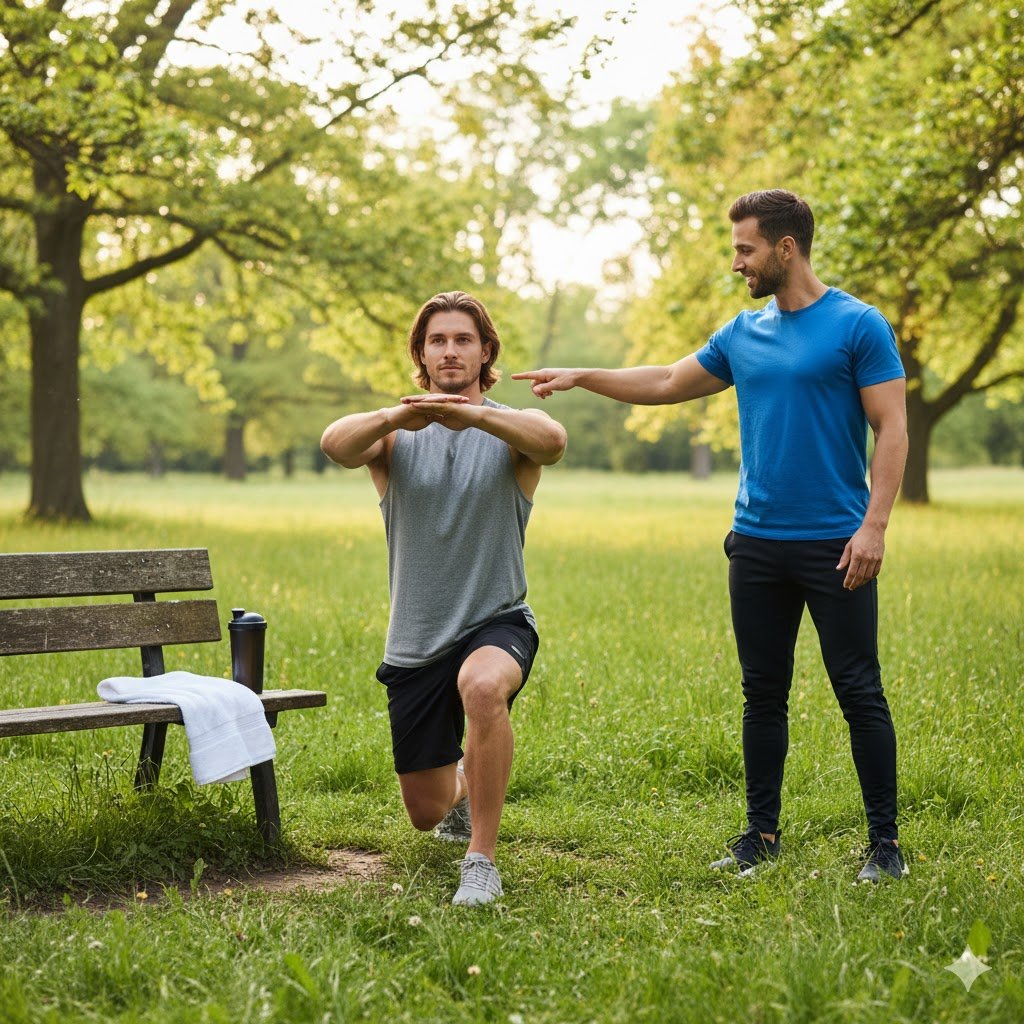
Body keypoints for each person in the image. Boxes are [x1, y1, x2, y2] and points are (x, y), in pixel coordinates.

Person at [514, 189, 909, 883]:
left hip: (835, 544)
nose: (738, 263)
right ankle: (761, 834)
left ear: (786, 249)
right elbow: (668, 379)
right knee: (763, 692)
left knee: (858, 689)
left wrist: (873, 526)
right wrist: (584, 376)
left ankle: (885, 845)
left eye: (746, 249)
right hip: (755, 542)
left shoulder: (858, 326)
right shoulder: (743, 334)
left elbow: (893, 428)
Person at [321, 290, 566, 906]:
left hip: (497, 619)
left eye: (463, 340)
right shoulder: (395, 438)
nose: (450, 350)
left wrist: (474, 415)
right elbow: (334, 443)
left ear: (486, 352)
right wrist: (394, 418)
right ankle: (462, 785)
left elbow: (553, 438)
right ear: (421, 354)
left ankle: (480, 861)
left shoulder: (508, 433)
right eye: (437, 341)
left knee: (483, 688)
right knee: (427, 812)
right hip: (417, 640)